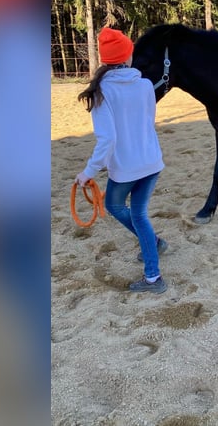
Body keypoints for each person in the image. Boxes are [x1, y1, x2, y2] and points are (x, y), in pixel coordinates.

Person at [76, 27, 168, 294]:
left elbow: (107, 139)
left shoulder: (101, 92)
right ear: (128, 56)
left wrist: (88, 172)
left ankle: (153, 277)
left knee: (117, 206)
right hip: (151, 161)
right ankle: (154, 243)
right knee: (139, 214)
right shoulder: (145, 86)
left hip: (127, 168)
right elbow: (147, 123)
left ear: (105, 60)